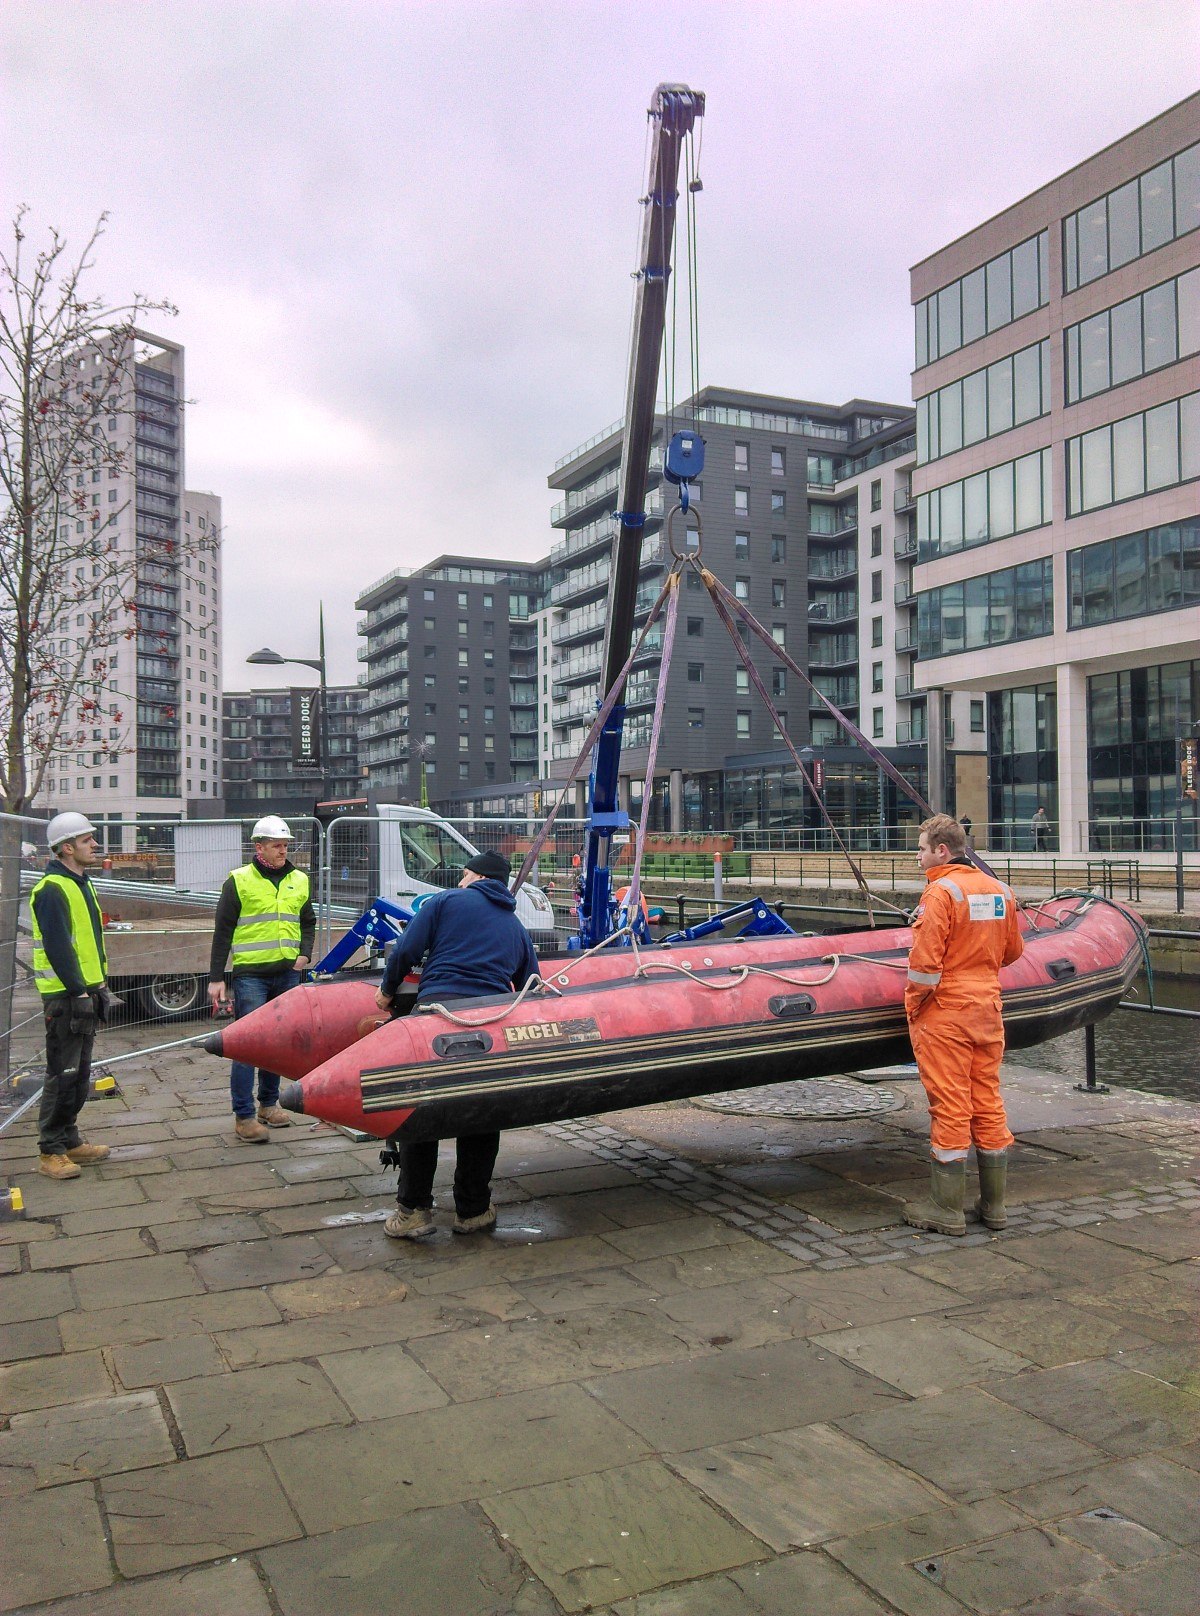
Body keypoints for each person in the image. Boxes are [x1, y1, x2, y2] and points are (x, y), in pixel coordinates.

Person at [374, 849, 538, 1240]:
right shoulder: (515, 925)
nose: (460, 880)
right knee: (481, 1113)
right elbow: (531, 979)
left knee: (423, 1112)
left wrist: (385, 992)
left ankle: (413, 1212)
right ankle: (473, 1210)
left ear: (474, 877)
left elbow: (408, 948)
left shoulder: (446, 900)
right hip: (489, 1025)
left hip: (437, 1017)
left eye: (464, 875)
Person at [903, 813, 1024, 1236]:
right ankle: (994, 1207)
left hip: (947, 1013)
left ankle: (947, 1208)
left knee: (950, 1103)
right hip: (987, 1008)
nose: (916, 857)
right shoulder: (999, 890)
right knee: (987, 1101)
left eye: (920, 848)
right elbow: (1012, 952)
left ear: (941, 850)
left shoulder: (940, 894)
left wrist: (914, 1007)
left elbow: (924, 966)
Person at [208, 816, 315, 1143]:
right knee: (249, 1046)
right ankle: (244, 1116)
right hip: (251, 975)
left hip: (287, 974)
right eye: (276, 846)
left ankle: (268, 1103)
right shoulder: (239, 881)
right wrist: (216, 978)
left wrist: (305, 953)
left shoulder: (300, 879)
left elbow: (307, 921)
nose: (283, 851)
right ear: (260, 847)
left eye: (285, 845)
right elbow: (223, 931)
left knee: (278, 1044)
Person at [29, 812, 123, 1180]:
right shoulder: (53, 888)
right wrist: (80, 990)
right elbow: (58, 947)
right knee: (62, 1074)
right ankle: (50, 1150)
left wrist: (98, 987)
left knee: (79, 1074)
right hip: (65, 995)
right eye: (87, 840)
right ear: (67, 848)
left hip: (83, 992)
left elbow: (87, 943)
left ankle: (68, 1139)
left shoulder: (81, 883)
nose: (95, 845)